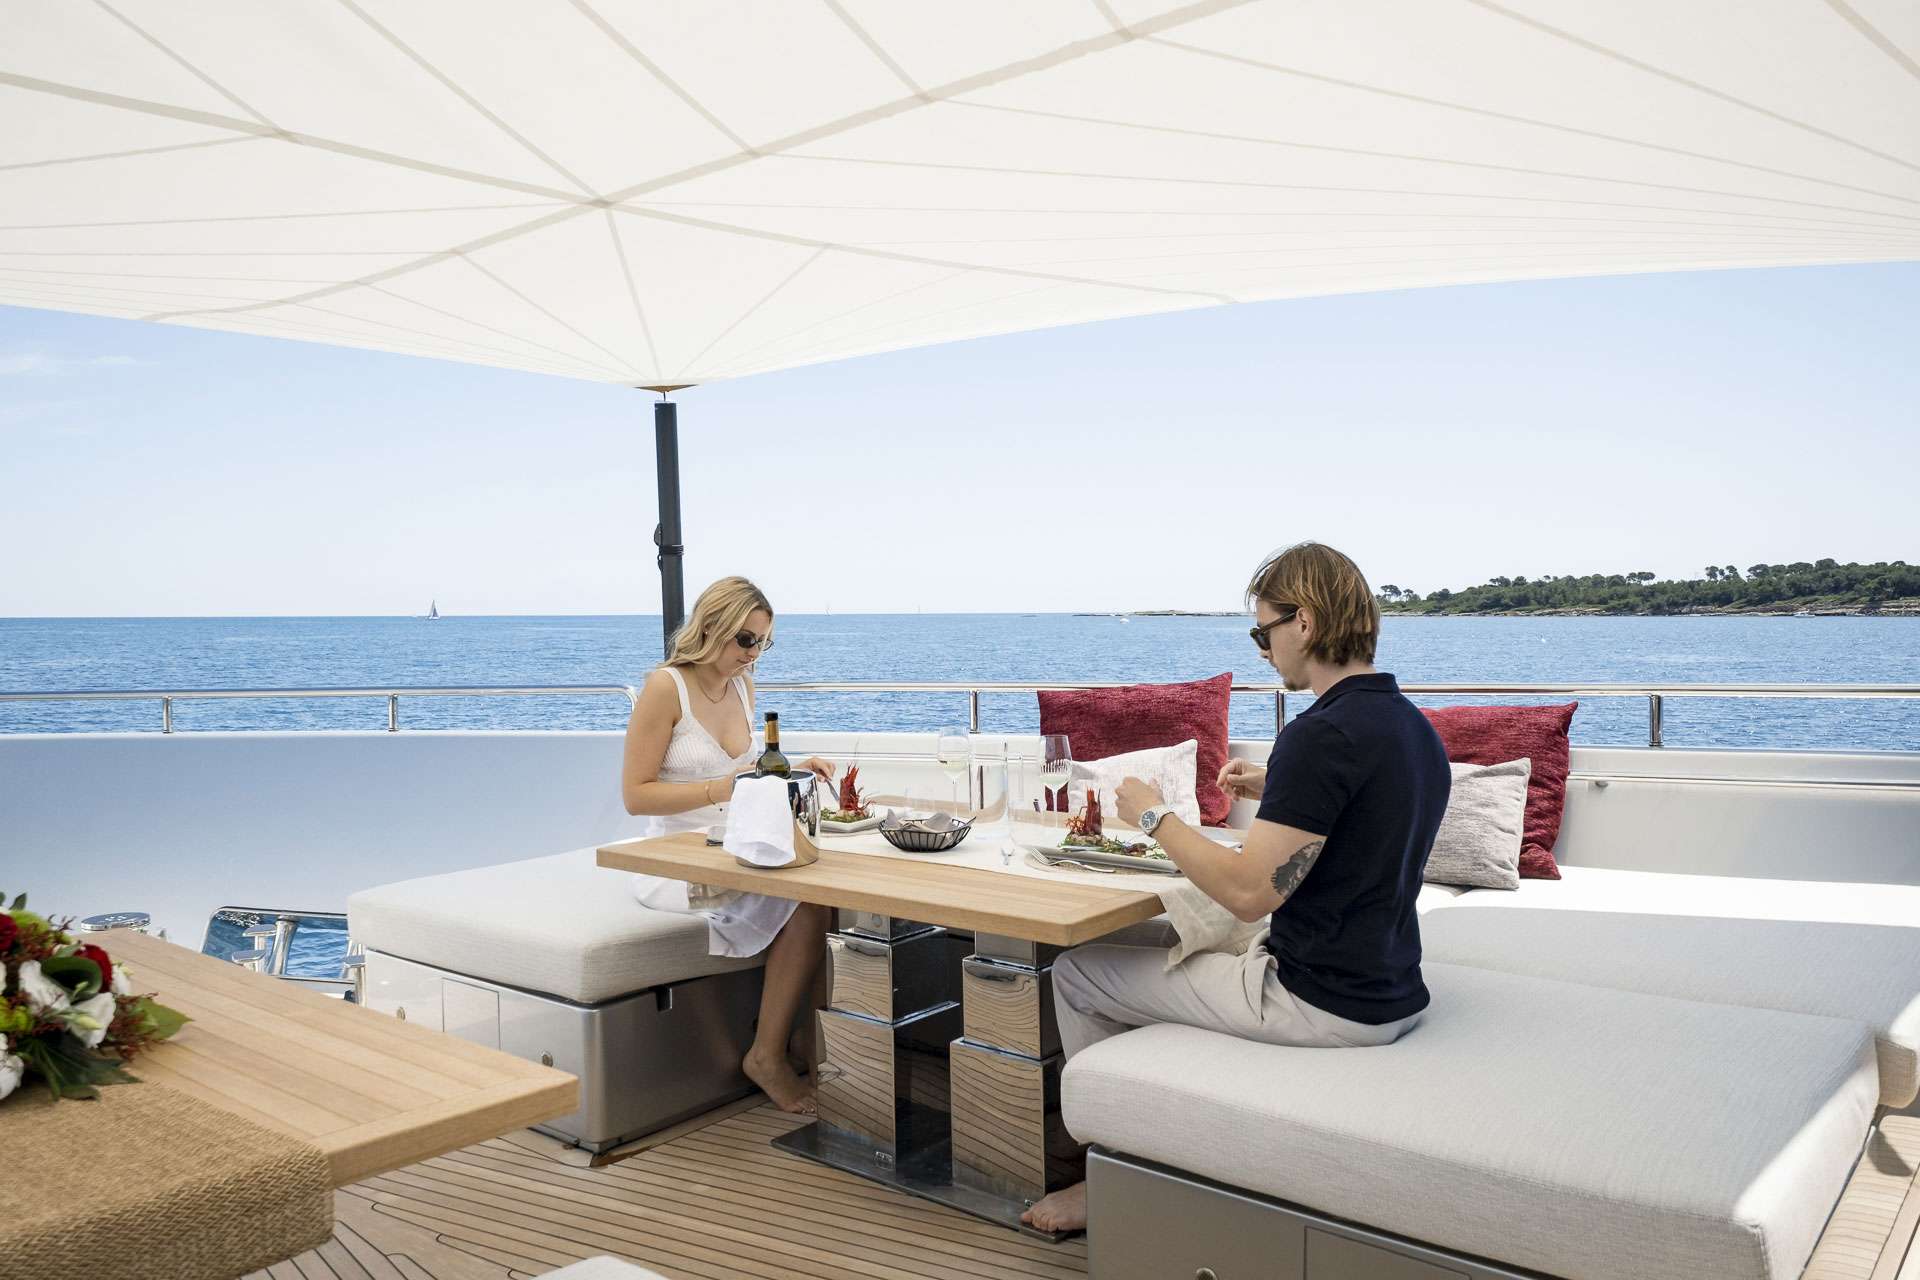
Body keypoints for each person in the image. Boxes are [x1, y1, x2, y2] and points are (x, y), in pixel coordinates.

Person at [1022, 541, 1451, 1232]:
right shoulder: (1408, 726)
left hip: (1321, 1001)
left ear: (1304, 622)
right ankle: (1158, 1116)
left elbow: (1251, 894)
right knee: (1143, 936)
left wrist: (1152, 815)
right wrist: (1277, 785)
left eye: (1264, 632)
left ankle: (1113, 1172)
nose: (1263, 651)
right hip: (1389, 984)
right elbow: (1363, 813)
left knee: (1077, 971)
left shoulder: (1321, 734)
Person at [621, 575, 837, 1115]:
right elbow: (636, 796)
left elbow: (745, 773)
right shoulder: (665, 688)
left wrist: (796, 766)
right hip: (678, 858)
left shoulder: (743, 687)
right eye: (745, 639)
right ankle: (766, 1056)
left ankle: (805, 1043)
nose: (753, 653)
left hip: (735, 846)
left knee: (827, 897)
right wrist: (719, 790)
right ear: (712, 626)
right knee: (810, 906)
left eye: (763, 642)